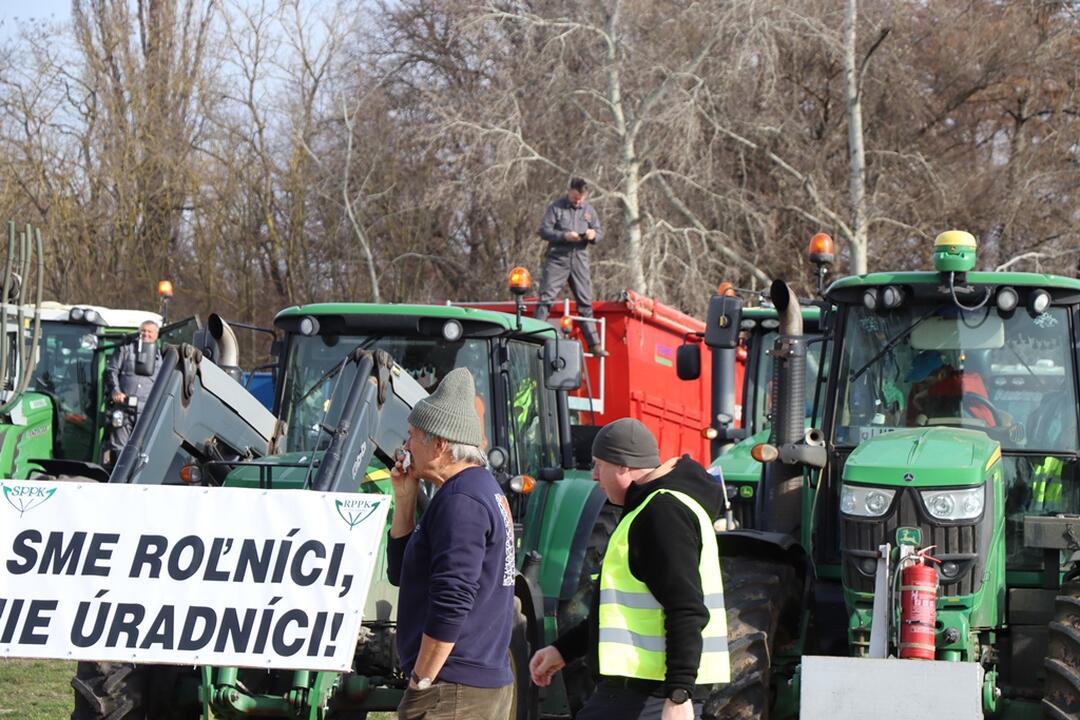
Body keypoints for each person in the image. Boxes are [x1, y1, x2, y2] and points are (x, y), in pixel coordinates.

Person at [529, 418, 729, 720]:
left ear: (623, 465)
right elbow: (619, 613)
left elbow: (686, 608)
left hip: (650, 694)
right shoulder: (652, 507)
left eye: (599, 465)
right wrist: (563, 651)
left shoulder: (661, 512)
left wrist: (679, 694)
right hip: (641, 691)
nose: (595, 476)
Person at [387, 367, 516, 720]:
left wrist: (421, 680)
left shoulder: (462, 502)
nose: (406, 445)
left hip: (454, 690)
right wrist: (405, 498)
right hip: (472, 684)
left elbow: (453, 599)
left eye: (413, 436)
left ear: (441, 444)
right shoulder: (479, 490)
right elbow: (401, 574)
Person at [537, 177, 608, 357]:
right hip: (557, 258)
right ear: (570, 191)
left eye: (581, 198)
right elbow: (544, 230)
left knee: (585, 303)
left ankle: (594, 344)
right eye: (576, 197)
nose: (578, 201)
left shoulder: (589, 211)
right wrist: (564, 236)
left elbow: (599, 234)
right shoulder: (556, 207)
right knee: (546, 297)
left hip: (579, 260)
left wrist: (593, 235)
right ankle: (535, 334)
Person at [103, 320, 162, 463]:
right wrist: (116, 391)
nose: (146, 334)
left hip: (146, 410)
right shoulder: (126, 350)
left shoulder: (161, 357)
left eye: (149, 332)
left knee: (144, 447)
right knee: (119, 447)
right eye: (143, 331)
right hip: (123, 406)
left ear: (156, 335)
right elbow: (112, 371)